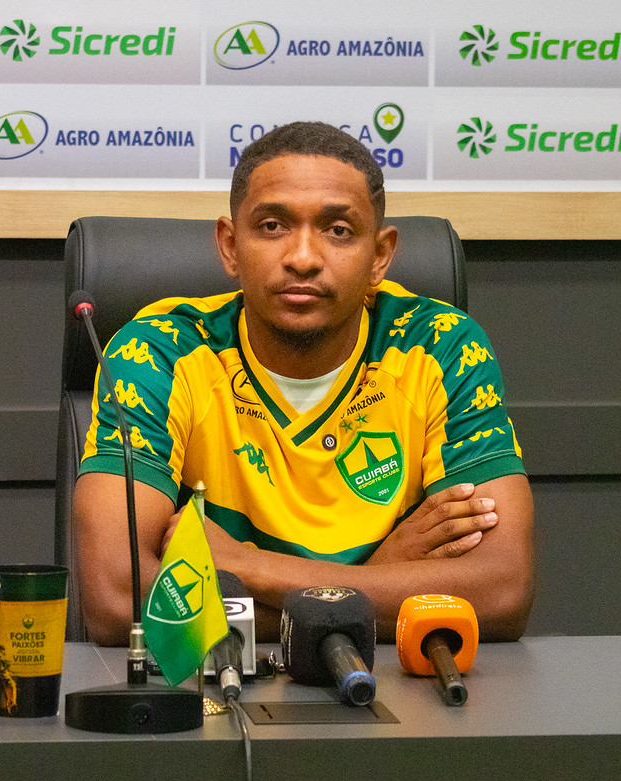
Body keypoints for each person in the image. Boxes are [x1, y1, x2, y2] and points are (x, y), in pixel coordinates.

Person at [74, 121, 534, 646]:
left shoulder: (441, 346)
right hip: (214, 684)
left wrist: (247, 567)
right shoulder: (158, 353)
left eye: (338, 231)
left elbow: (502, 592)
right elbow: (116, 600)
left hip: (400, 683)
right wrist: (376, 583)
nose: (303, 258)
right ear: (230, 245)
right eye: (272, 226)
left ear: (380, 256)